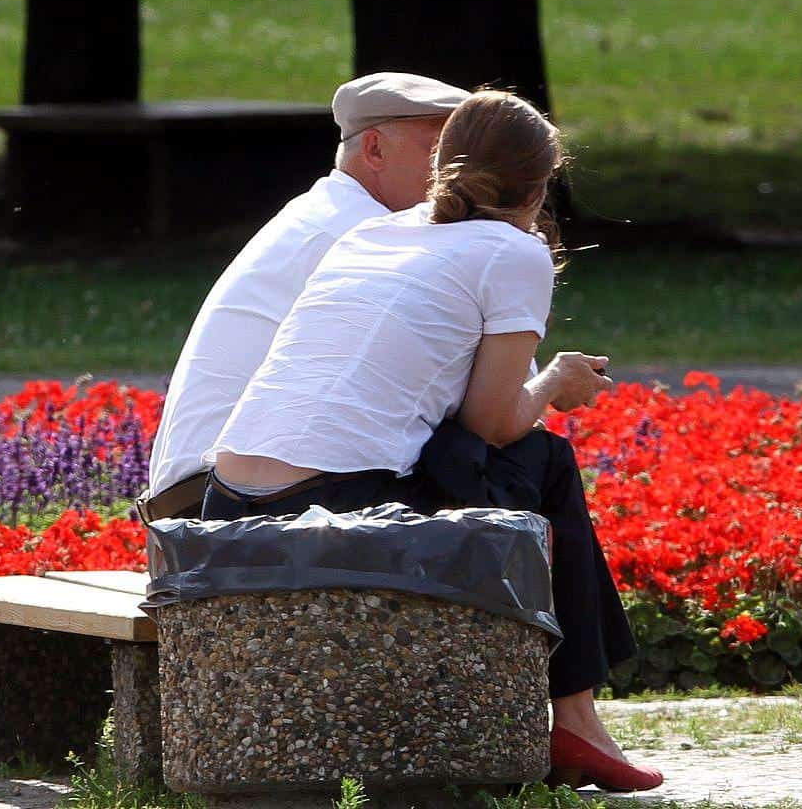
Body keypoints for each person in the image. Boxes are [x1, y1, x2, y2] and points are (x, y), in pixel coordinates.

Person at [201, 91, 663, 794]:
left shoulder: (373, 235)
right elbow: (495, 424)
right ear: (540, 186)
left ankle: (574, 718)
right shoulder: (514, 251)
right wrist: (557, 381)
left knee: (464, 450)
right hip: (331, 506)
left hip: (226, 503)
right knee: (546, 459)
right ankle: (576, 717)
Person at [139, 72, 471, 522]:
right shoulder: (370, 236)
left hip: (213, 498)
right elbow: (478, 400)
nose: (462, 174)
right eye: (441, 153)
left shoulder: (328, 214)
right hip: (227, 504)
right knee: (502, 460)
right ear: (375, 150)